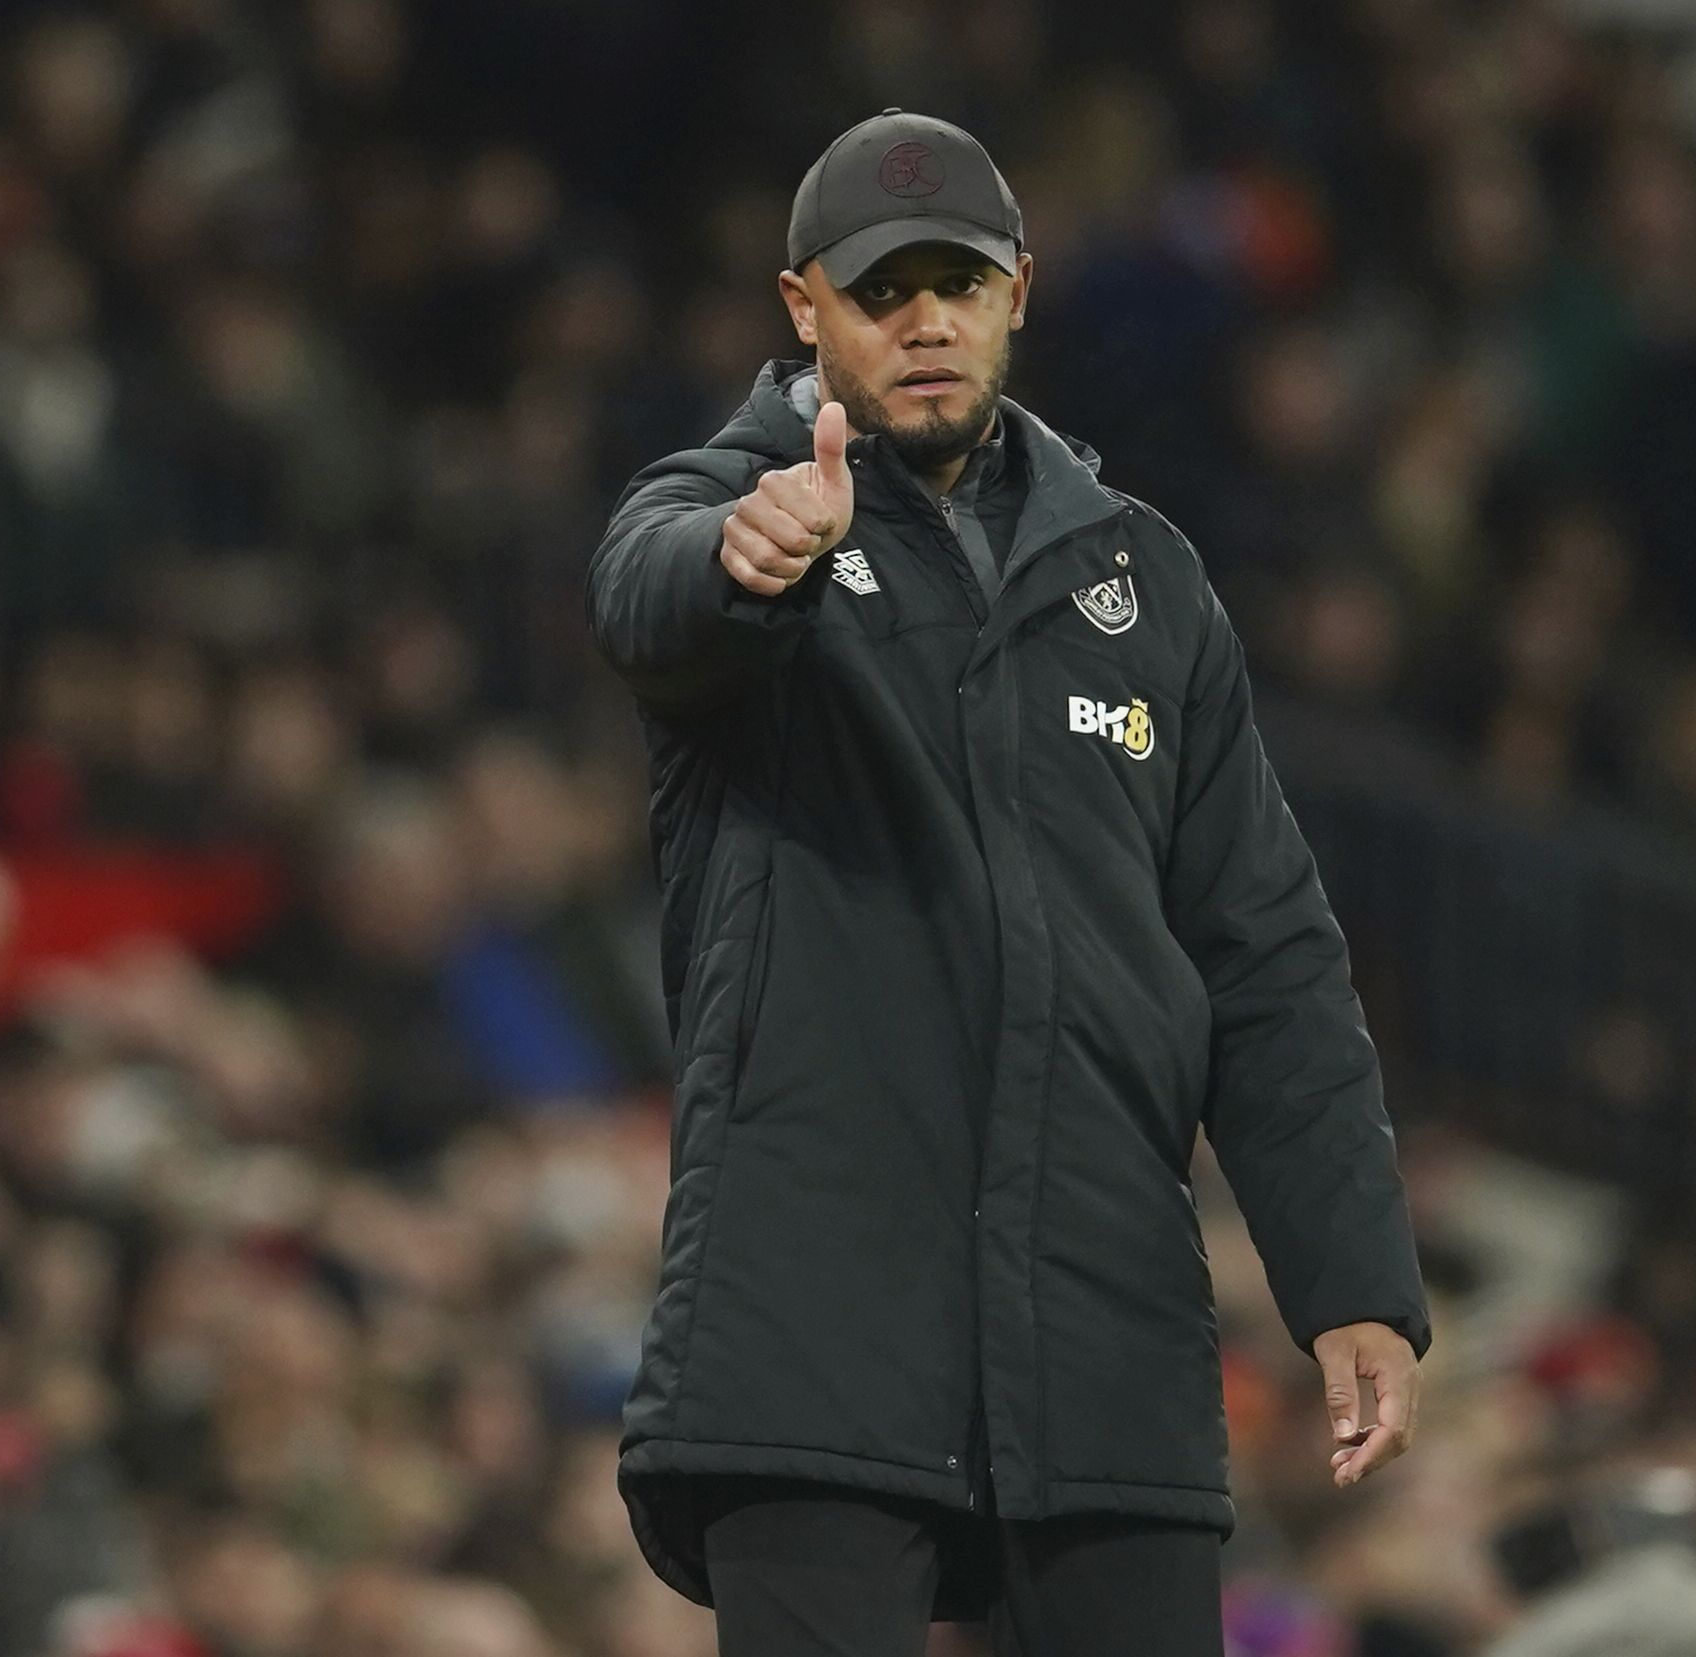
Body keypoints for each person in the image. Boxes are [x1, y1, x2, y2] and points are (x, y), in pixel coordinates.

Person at [588, 110, 1430, 1656]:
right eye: (880, 288)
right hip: (816, 1328)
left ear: (1019, 293)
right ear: (802, 309)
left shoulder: (1144, 579)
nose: (923, 321)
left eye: (956, 285)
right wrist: (747, 551)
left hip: (1102, 1334)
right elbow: (648, 602)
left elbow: (1263, 954)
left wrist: (1351, 1275)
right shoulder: (722, 503)